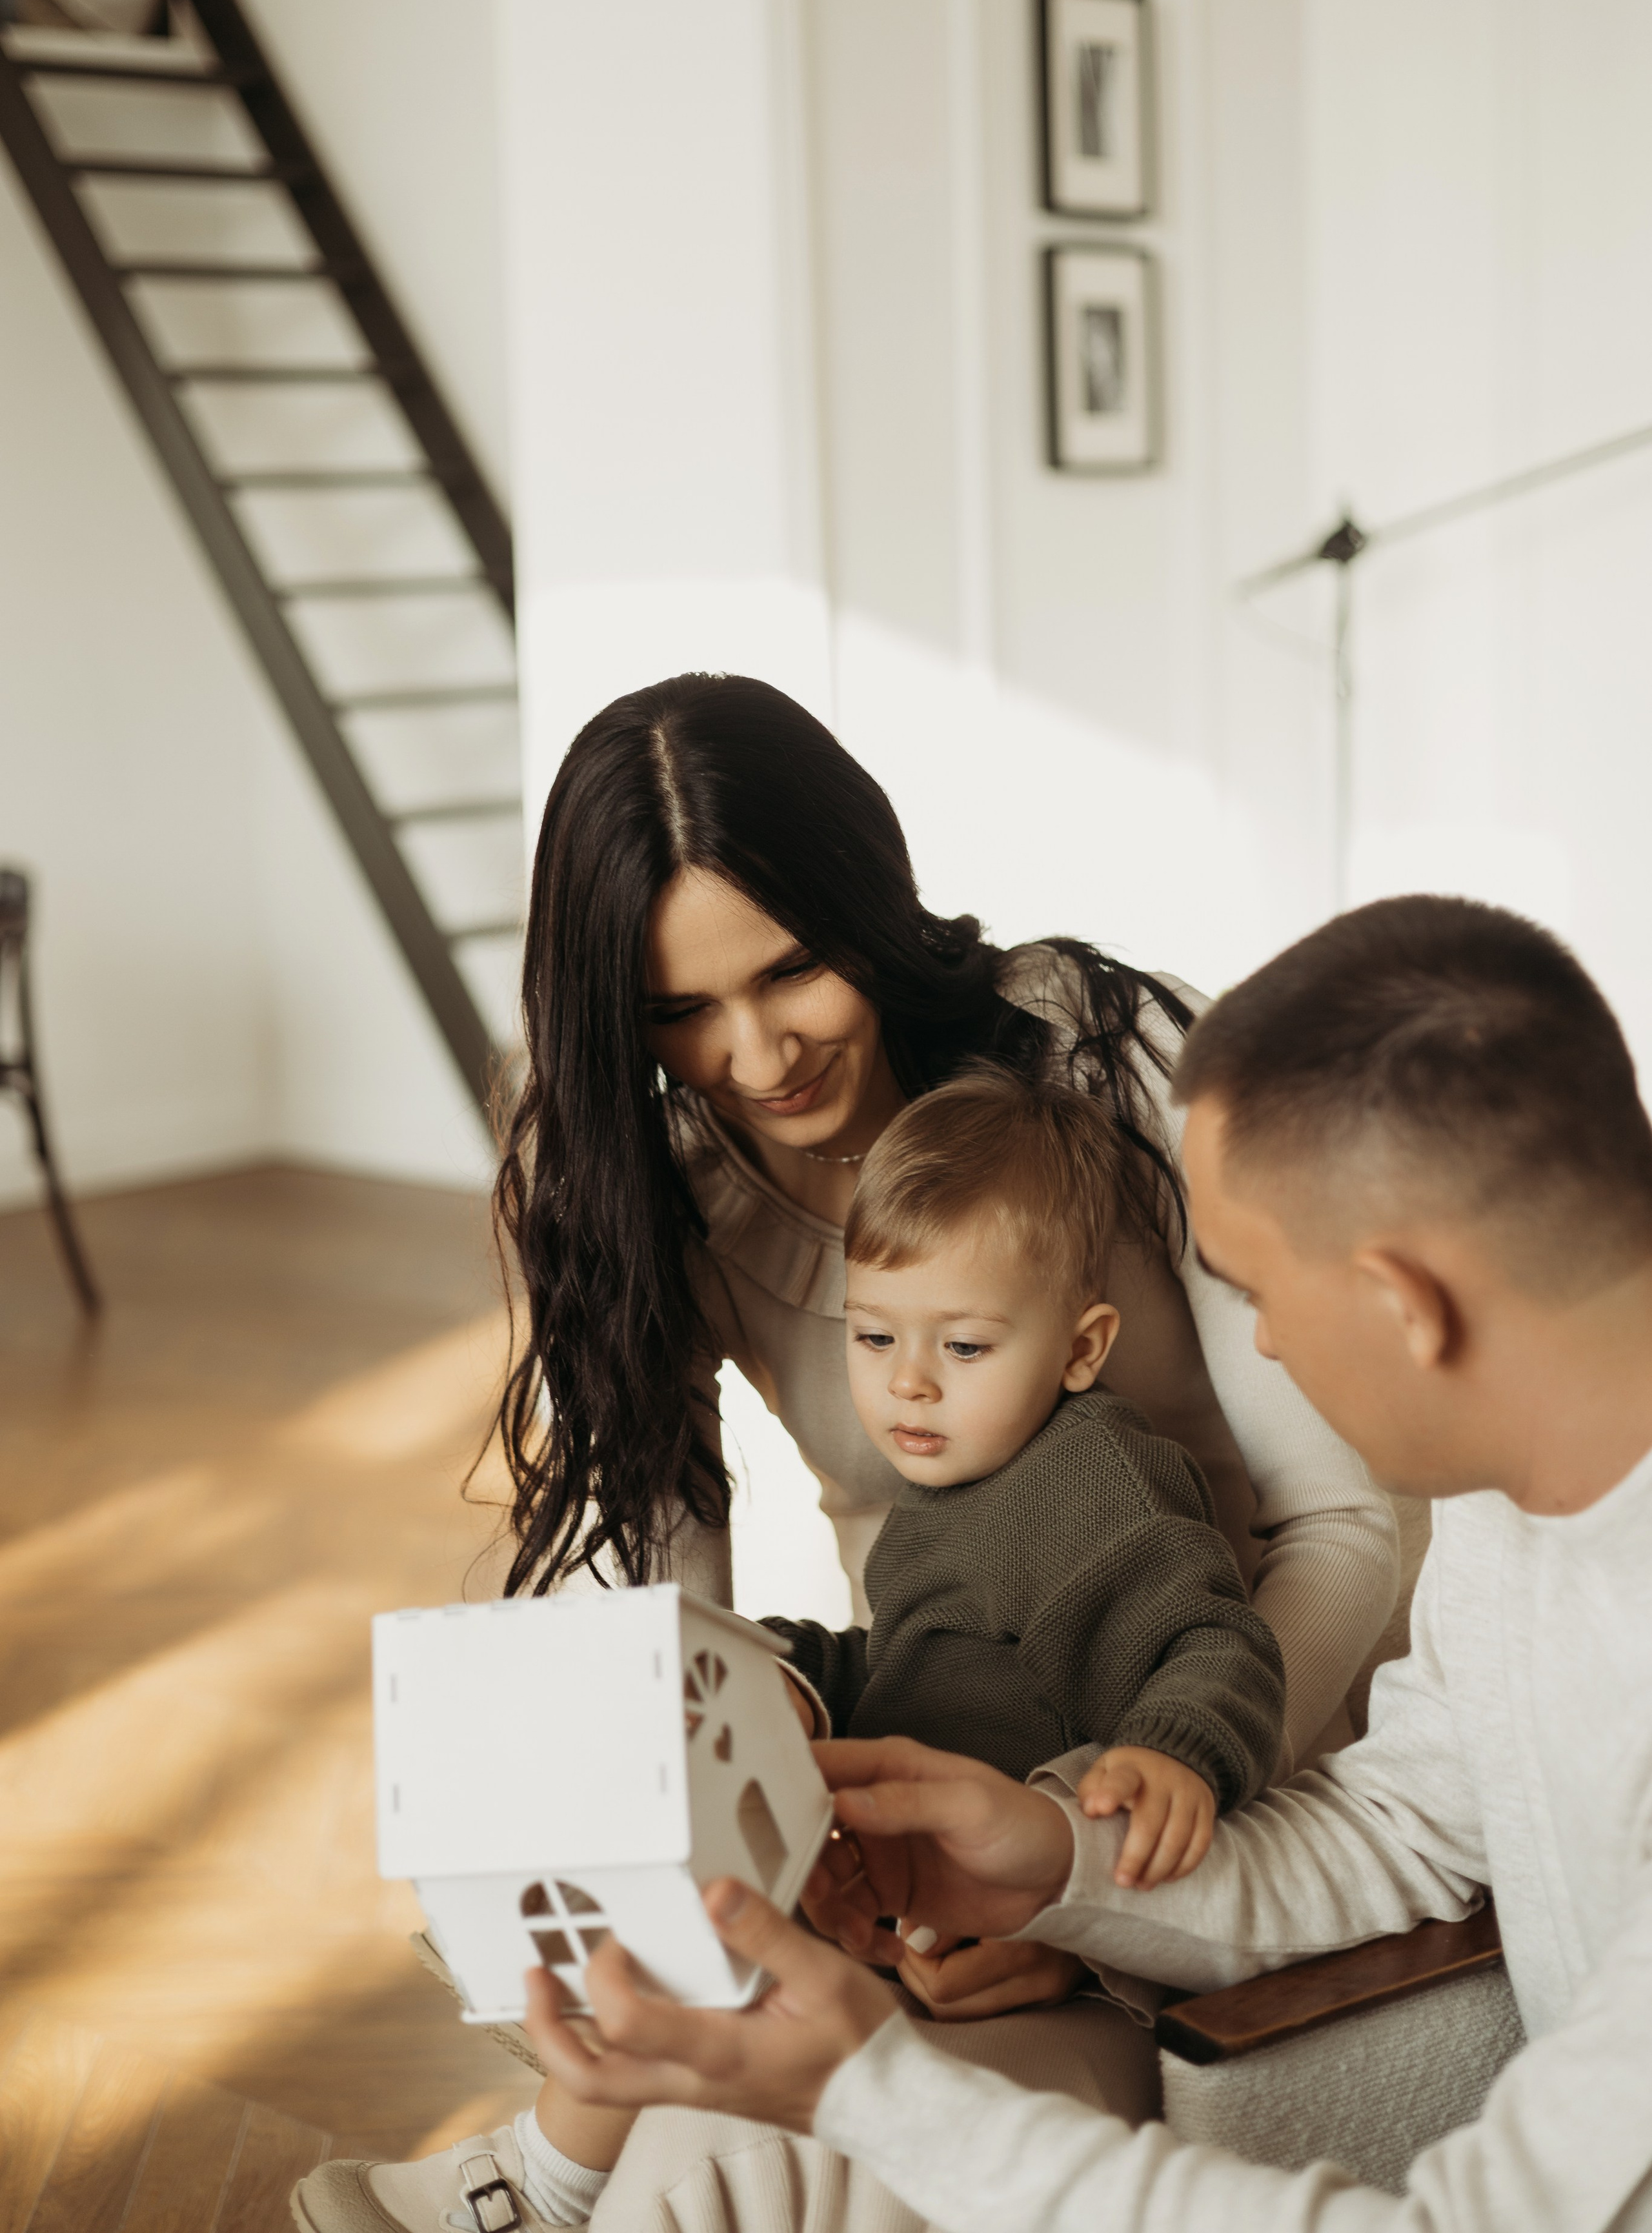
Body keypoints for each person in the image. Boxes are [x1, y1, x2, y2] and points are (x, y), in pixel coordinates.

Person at [294, 675, 1396, 2233]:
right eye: (676, 1009)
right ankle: (544, 2167)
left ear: (866, 908)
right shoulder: (635, 1163)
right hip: (944, 1731)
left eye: (791, 967)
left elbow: (1347, 1519)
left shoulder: (1107, 1059)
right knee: (701, 2088)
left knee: (749, 2159)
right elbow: (662, 1620)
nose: (751, 1053)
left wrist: (1088, 1857)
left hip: (1215, 1730)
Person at [516, 894, 1652, 2233]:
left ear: (1403, 1303)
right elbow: (1401, 1827)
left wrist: (870, 2089)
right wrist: (1055, 1860)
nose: (1263, 1353)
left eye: (1254, 1291)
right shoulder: (1501, 1509)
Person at [765, 1069, 1285, 1888]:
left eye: (963, 1346)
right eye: (872, 1337)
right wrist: (793, 1667)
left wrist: (1167, 1752)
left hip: (1044, 1889)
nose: (909, 1382)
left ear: (1081, 1351)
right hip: (915, 1869)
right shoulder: (948, 1487)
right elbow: (918, 1677)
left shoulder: (1089, 1480)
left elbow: (1211, 1643)